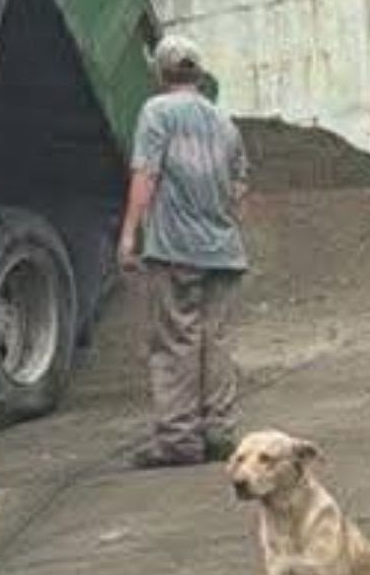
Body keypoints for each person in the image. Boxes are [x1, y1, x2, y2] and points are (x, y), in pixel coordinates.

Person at [117, 34, 250, 469]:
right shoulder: (224, 122)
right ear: (199, 72)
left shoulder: (157, 112)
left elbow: (146, 173)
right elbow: (238, 188)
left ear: (159, 72)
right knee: (216, 341)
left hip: (176, 250)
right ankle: (219, 432)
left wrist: (129, 234)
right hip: (223, 250)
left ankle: (178, 438)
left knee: (176, 341)